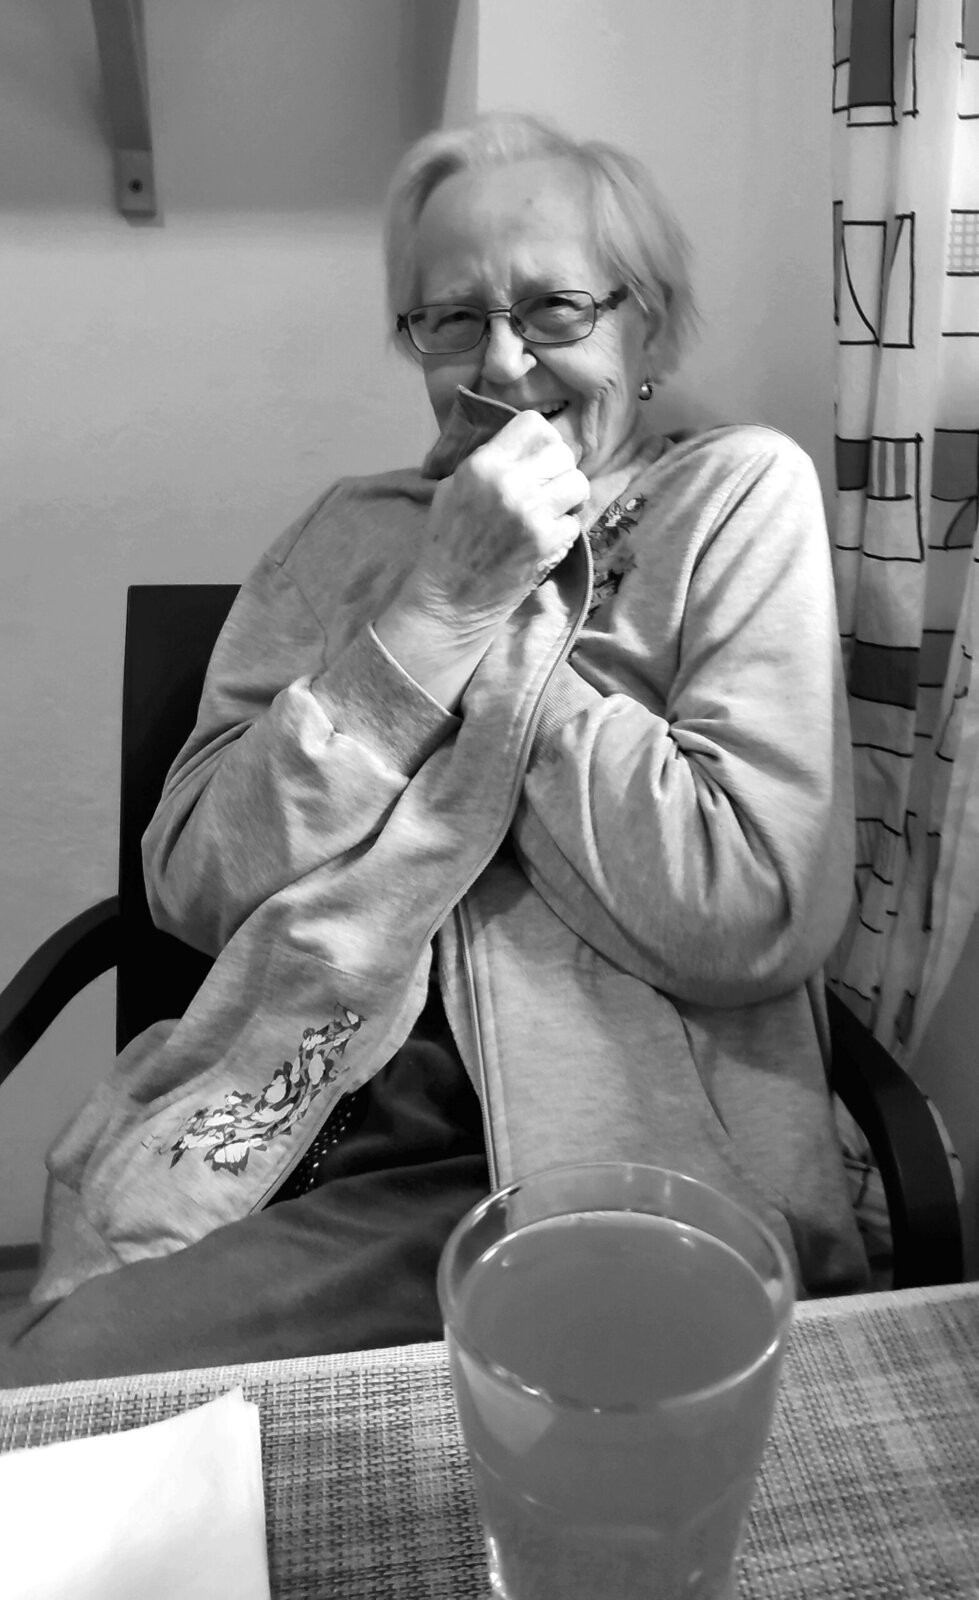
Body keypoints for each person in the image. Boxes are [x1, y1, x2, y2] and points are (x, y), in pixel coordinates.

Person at [0, 111, 868, 1385]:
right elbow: (192, 879)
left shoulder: (734, 495)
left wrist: (498, 612)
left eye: (555, 307)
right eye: (450, 319)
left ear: (649, 326)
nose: (502, 363)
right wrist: (429, 610)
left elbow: (750, 912)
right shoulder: (343, 535)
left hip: (618, 1143)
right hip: (306, 1114)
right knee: (74, 1388)